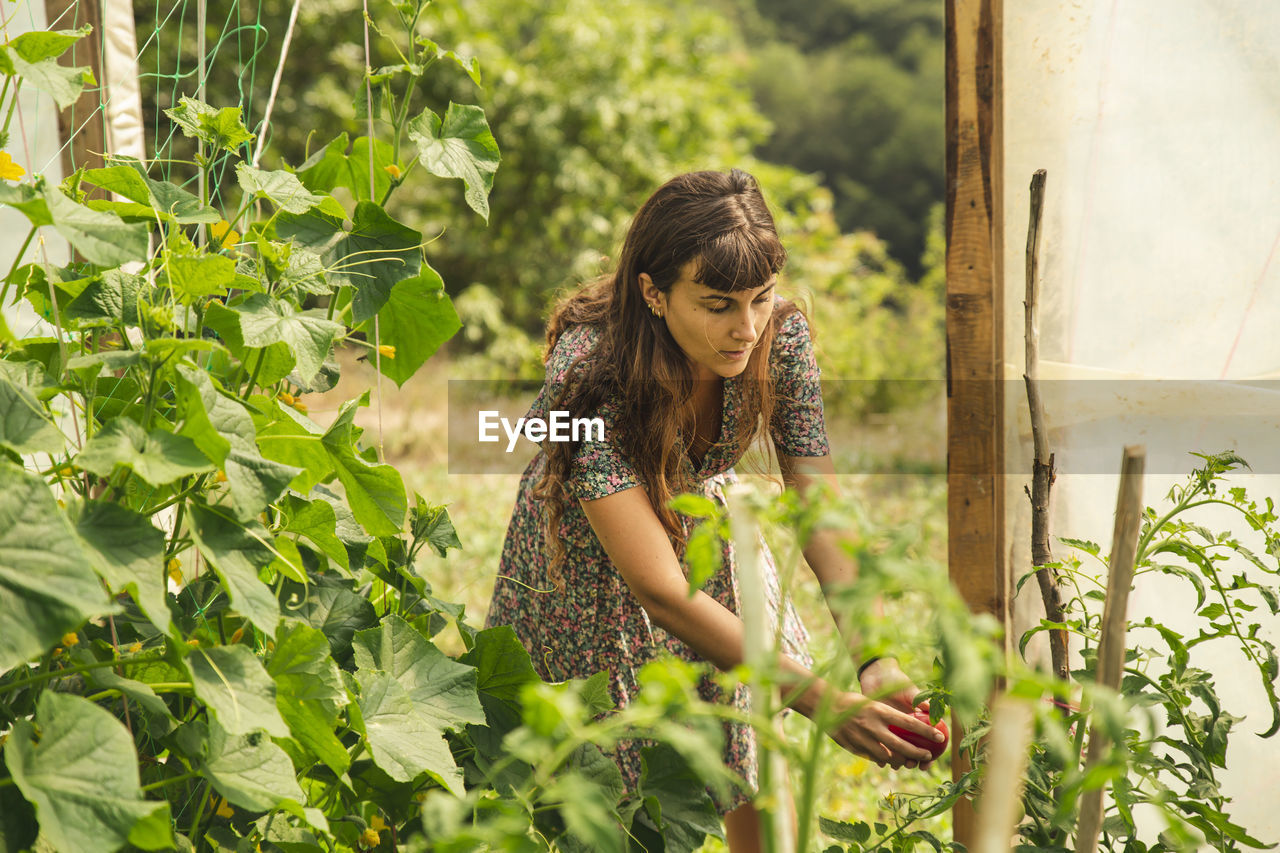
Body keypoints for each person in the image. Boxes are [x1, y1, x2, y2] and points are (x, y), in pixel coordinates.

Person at [484, 169, 943, 851]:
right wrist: (821, 697)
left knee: (748, 719)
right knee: (601, 771)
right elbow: (658, 589)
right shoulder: (588, 376)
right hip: (581, 556)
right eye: (718, 304)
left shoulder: (779, 340)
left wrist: (873, 657)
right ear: (654, 293)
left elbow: (817, 498)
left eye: (761, 298)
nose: (746, 327)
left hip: (696, 524)